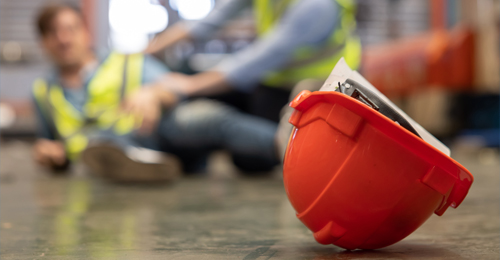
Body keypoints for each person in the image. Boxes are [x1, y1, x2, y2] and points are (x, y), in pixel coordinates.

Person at [31, 3, 280, 182]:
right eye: (53, 32)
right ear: (43, 42)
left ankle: (287, 145)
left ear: (85, 32)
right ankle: (125, 156)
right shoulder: (43, 92)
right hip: (96, 158)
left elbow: (175, 89)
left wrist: (153, 93)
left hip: (156, 134)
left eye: (70, 29)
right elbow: (52, 145)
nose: (63, 39)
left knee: (205, 117)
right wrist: (51, 155)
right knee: (105, 144)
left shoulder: (126, 62)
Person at [138, 0, 362, 123]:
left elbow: (254, 62)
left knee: (247, 155)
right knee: (193, 85)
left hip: (319, 96)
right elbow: (208, 23)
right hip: (273, 82)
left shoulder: (317, 6)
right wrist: (144, 52)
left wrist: (188, 86)